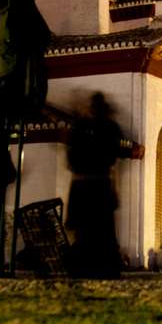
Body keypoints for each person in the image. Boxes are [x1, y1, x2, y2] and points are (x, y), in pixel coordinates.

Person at [65, 93, 125, 279]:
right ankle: (103, 267)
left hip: (83, 184)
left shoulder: (80, 127)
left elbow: (71, 158)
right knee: (103, 229)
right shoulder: (111, 128)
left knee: (85, 230)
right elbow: (116, 153)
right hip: (101, 183)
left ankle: (84, 266)